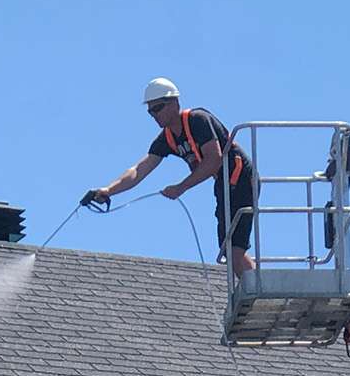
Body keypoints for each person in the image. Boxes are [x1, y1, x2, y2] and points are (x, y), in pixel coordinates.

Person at [83, 78, 257, 277]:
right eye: (150, 111)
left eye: (158, 108)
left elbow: (214, 160)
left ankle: (258, 288)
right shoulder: (167, 138)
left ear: (174, 103)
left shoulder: (197, 120)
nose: (154, 115)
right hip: (224, 185)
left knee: (233, 248)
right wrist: (108, 190)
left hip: (241, 178)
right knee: (229, 248)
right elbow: (139, 170)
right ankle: (255, 284)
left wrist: (181, 187)